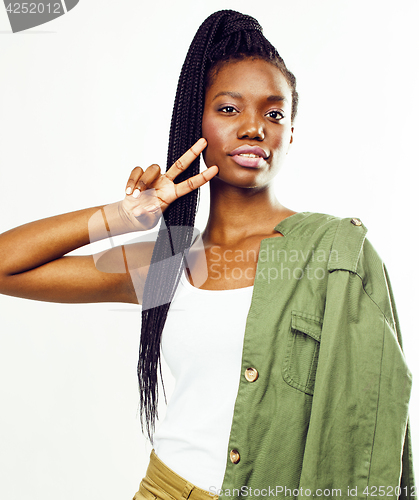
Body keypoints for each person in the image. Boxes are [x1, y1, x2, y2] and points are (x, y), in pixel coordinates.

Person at [0, 9, 414, 500]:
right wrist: (124, 215)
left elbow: (370, 429)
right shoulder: (170, 261)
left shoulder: (333, 254)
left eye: (274, 113)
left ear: (291, 134)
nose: (254, 128)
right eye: (229, 109)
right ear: (196, 122)